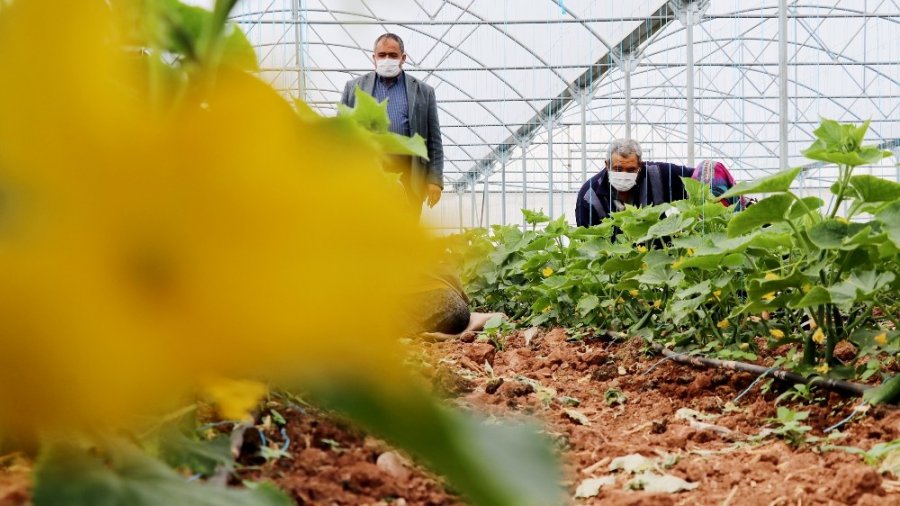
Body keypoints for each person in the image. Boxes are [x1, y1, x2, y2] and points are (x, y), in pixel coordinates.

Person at [340, 33, 443, 217]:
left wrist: (435, 180)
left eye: (393, 55)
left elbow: (434, 140)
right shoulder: (354, 88)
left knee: (406, 233)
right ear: (374, 58)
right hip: (368, 176)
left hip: (409, 175)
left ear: (403, 58)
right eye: (382, 55)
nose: (387, 59)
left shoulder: (424, 92)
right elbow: (340, 136)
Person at [575, 139, 694, 227]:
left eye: (631, 169)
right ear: (607, 165)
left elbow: (695, 178)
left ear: (640, 166)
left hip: (659, 255)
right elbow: (588, 242)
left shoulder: (658, 174)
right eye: (617, 169)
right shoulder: (589, 196)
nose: (624, 174)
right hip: (615, 258)